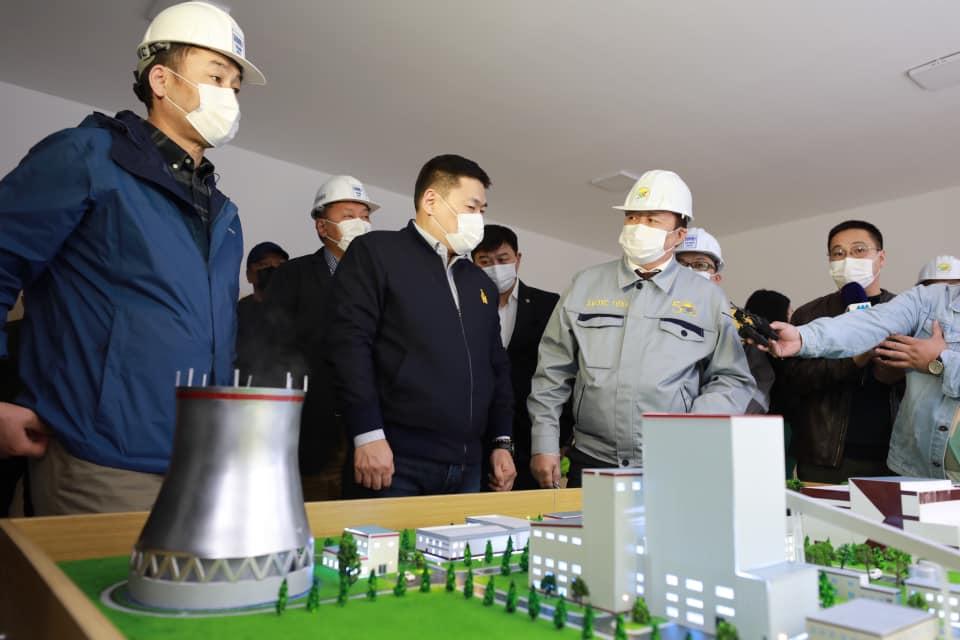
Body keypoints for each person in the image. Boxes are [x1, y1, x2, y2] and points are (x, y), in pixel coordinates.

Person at [0, 1, 265, 514]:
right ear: (161, 80)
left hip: (197, 465)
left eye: (235, 86)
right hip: (99, 463)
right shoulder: (87, 157)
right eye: (216, 77)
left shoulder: (223, 213)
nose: (229, 95)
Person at [527, 170, 756, 488]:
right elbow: (552, 371)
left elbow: (733, 379)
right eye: (632, 217)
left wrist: (691, 425)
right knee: (592, 524)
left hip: (672, 460)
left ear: (678, 235)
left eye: (651, 220)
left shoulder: (707, 297)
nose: (638, 227)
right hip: (592, 458)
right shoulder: (585, 284)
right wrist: (544, 442)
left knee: (671, 524)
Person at [326, 155, 516, 497]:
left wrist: (501, 441)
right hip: (395, 460)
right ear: (431, 201)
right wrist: (367, 433)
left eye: (482, 210)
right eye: (471, 207)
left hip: (469, 465)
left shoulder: (479, 283)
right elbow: (349, 344)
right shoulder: (377, 253)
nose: (478, 219)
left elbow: (496, 367)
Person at [261, 175, 379, 501]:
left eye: (365, 216)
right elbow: (272, 351)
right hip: (309, 432)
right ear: (322, 227)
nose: (360, 223)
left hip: (370, 436)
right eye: (348, 216)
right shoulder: (292, 276)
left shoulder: (381, 280)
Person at [767, 282, 959, 480]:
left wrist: (941, 361)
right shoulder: (930, 300)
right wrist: (803, 337)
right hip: (916, 469)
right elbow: (870, 323)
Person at [779, 220, 903, 483]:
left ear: (881, 258)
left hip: (895, 457)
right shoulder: (810, 314)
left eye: (859, 250)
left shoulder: (903, 310)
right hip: (825, 456)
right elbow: (794, 381)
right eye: (838, 253)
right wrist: (854, 360)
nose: (848, 260)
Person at [471, 224, 567, 490]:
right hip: (477, 436)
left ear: (518, 259)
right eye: (485, 261)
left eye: (503, 259)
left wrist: (561, 439)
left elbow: (564, 372)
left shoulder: (548, 305)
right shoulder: (464, 307)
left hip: (532, 436)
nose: (495, 267)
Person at [676, 227, 774, 413]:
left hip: (716, 426)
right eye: (680, 264)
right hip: (654, 424)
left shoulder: (741, 328)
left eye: (700, 264)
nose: (688, 271)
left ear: (716, 278)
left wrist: (701, 423)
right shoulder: (648, 317)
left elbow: (757, 389)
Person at [235, 241, 289, 380]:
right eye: (264, 264)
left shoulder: (296, 310)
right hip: (245, 386)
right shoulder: (237, 312)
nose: (273, 268)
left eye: (280, 264)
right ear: (249, 275)